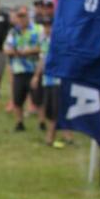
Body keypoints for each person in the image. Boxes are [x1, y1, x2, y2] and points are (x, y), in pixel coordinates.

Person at [32, 18, 71, 148]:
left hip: (59, 80)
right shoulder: (44, 41)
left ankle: (54, 136)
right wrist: (37, 76)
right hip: (47, 80)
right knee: (50, 109)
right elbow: (42, 60)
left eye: (50, 26)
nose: (47, 29)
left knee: (58, 109)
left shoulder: (61, 41)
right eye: (45, 26)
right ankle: (56, 136)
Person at [4, 8, 42, 132]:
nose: (21, 19)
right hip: (18, 69)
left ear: (28, 17)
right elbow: (6, 48)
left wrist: (28, 51)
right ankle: (19, 123)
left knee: (38, 98)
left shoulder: (37, 30)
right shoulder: (14, 32)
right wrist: (14, 52)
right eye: (19, 17)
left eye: (24, 16)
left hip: (34, 69)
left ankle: (42, 123)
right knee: (17, 98)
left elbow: (44, 46)